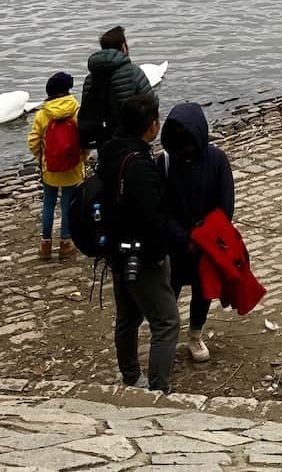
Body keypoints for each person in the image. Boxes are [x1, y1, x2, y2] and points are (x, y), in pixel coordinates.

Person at [97, 92, 179, 392]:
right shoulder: (140, 165)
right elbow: (151, 216)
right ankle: (159, 390)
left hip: (115, 251)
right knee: (166, 322)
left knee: (128, 317)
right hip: (142, 256)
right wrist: (159, 253)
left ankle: (130, 376)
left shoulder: (110, 152)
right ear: (151, 126)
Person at [158, 102, 234, 363]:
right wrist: (182, 239)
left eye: (189, 141)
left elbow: (225, 207)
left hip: (207, 244)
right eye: (179, 142)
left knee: (203, 291)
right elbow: (162, 207)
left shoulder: (217, 161)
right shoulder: (166, 162)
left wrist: (203, 240)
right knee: (170, 290)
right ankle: (164, 336)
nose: (185, 148)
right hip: (176, 245)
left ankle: (194, 334)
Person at [27, 72, 86, 261]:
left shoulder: (42, 114)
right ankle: (65, 244)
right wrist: (82, 158)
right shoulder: (77, 111)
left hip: (49, 169)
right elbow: (84, 141)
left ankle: (45, 245)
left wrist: (42, 158)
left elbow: (33, 142)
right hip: (73, 167)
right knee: (68, 205)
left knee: (48, 203)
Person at [79, 25, 153, 147]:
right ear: (124, 47)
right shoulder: (133, 72)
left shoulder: (90, 78)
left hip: (102, 140)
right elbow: (151, 103)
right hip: (131, 139)